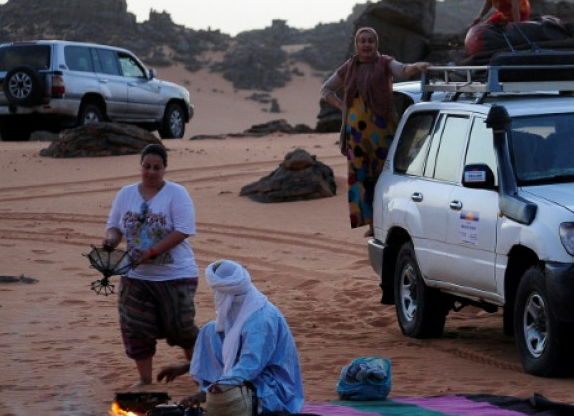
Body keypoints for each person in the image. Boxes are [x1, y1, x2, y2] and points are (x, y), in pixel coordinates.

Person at [102, 143, 200, 388]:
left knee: (181, 328)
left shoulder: (177, 194)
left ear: (165, 169)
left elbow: (184, 230)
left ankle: (202, 375)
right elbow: (114, 225)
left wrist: (152, 252)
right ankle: (145, 379)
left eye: (157, 167)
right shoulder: (126, 194)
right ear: (141, 167)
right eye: (147, 166)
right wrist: (112, 239)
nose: (151, 172)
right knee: (135, 326)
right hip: (135, 274)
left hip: (175, 274)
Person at [320, 27, 430, 237]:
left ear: (376, 44)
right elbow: (326, 89)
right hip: (357, 138)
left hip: (383, 133)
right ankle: (372, 225)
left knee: (385, 178)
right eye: (362, 41)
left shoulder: (385, 63)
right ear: (357, 45)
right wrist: (344, 106)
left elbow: (402, 70)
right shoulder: (349, 67)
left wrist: (415, 67)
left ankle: (389, 223)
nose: (367, 44)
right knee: (361, 180)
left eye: (370, 40)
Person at [157, 260, 304, 415]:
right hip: (248, 377)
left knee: (231, 402)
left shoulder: (260, 320)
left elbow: (249, 366)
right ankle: (220, 392)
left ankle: (222, 394)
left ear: (224, 292)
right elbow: (230, 348)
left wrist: (206, 393)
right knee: (210, 331)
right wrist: (185, 367)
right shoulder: (240, 310)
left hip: (273, 388)